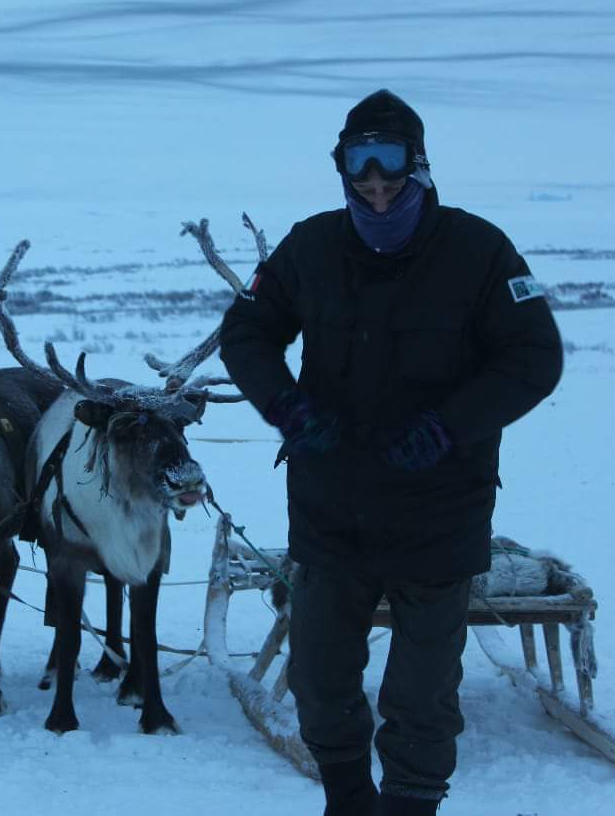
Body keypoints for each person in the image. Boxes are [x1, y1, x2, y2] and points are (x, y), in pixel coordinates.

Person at [218, 90, 563, 815]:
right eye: (359, 166)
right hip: (330, 506)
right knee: (320, 673)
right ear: (341, 168)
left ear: (421, 165)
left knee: (423, 688)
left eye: (391, 165)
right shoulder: (311, 246)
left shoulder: (479, 250)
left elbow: (534, 356)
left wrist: (449, 425)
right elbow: (246, 332)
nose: (376, 184)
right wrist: (287, 407)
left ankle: (410, 804)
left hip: (440, 510)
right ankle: (347, 799)